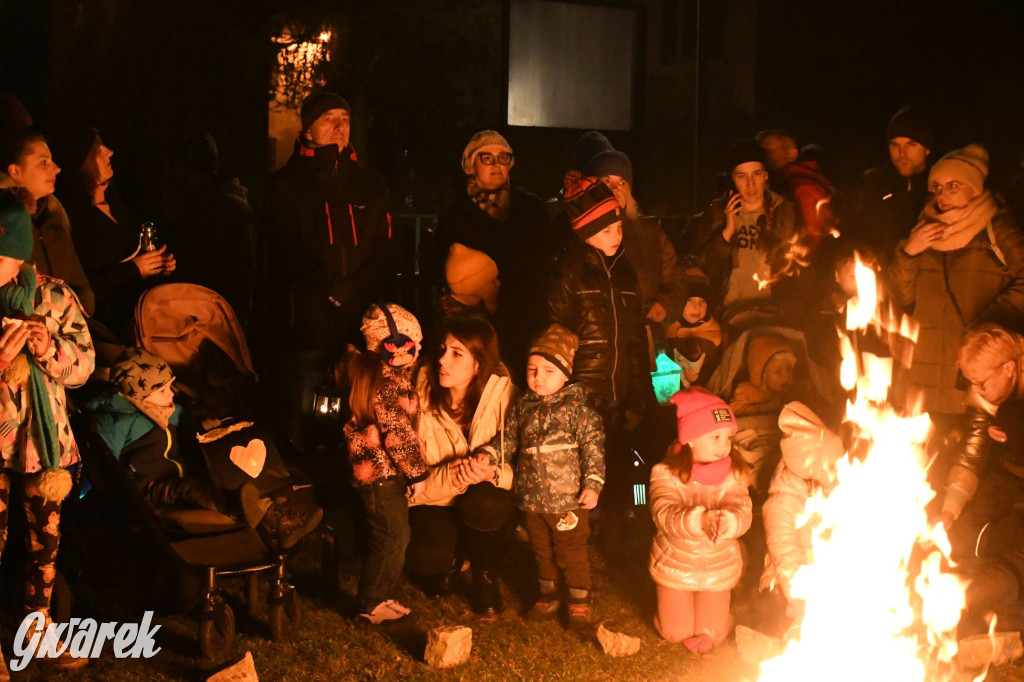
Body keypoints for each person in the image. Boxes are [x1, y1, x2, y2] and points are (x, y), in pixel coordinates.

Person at [263, 91, 396, 449]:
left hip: (360, 320)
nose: (339, 126)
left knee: (360, 419)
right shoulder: (285, 186)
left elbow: (385, 248)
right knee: (303, 418)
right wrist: (331, 288)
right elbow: (287, 249)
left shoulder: (370, 184)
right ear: (307, 131)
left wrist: (357, 291)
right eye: (328, 119)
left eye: (345, 119)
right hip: (307, 321)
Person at [0, 191, 95, 670]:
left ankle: (38, 628)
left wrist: (47, 348)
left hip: (43, 446)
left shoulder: (54, 297)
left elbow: (84, 365)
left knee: (45, 547)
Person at [476, 324, 605, 630]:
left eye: (548, 370)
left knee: (571, 551)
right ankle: (548, 594)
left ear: (565, 374)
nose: (537, 377)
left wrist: (593, 484)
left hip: (568, 501)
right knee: (541, 550)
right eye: (532, 369)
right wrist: (490, 454)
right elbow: (507, 440)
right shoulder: (523, 407)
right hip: (533, 500)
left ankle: (579, 601)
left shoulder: (578, 410)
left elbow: (594, 448)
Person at [889, 144, 1024, 415]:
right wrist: (909, 252)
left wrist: (986, 330)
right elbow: (900, 296)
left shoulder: (999, 229)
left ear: (975, 188)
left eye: (953, 185)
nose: (943, 196)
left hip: (977, 376)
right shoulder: (923, 231)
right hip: (923, 377)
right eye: (937, 187)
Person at [548, 172, 652, 515]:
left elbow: (635, 339)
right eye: (607, 230)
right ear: (585, 232)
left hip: (619, 395)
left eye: (619, 227)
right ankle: (583, 545)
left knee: (620, 469)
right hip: (583, 396)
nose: (617, 236)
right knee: (583, 475)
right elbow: (556, 338)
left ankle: (622, 534)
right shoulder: (569, 272)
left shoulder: (625, 273)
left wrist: (639, 394)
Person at [406, 315, 516, 619]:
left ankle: (485, 577)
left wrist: (493, 473)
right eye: (442, 349)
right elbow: (407, 483)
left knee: (486, 501)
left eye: (457, 353)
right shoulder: (417, 398)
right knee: (427, 561)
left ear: (479, 364)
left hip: (483, 502)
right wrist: (451, 476)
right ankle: (453, 558)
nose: (443, 360)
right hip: (436, 499)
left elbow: (527, 467)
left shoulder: (505, 398)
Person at [430, 130, 555, 376]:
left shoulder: (530, 209)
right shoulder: (455, 213)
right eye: (486, 158)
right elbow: (437, 265)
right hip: (472, 323)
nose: (496, 164)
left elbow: (544, 262)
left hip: (521, 317)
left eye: (503, 157)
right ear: (470, 165)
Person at [934, 324, 1024, 634]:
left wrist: (1017, 434)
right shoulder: (986, 395)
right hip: (1009, 476)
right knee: (967, 537)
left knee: (1011, 542)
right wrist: (950, 509)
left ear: (1009, 368)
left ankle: (1011, 606)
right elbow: (971, 453)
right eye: (970, 382)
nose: (976, 391)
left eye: (981, 382)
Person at [343, 304, 428, 624]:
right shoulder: (390, 383)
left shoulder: (368, 374)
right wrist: (417, 474)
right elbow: (397, 435)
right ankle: (369, 604)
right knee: (390, 536)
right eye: (414, 344)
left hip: (375, 474)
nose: (417, 351)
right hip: (383, 474)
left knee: (397, 534)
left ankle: (383, 595)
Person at [649, 388, 752, 652]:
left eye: (728, 437)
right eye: (715, 436)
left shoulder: (734, 473)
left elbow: (742, 508)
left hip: (717, 568)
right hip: (677, 565)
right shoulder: (665, 473)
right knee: (675, 633)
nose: (724, 446)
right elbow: (663, 512)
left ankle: (720, 611)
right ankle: (672, 608)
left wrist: (729, 521)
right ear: (691, 438)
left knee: (712, 633)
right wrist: (699, 521)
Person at [52, 125, 175, 335]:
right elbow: (79, 284)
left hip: (142, 313)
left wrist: (158, 267)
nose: (110, 151)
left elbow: (131, 251)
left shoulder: (115, 199)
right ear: (84, 163)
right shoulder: (74, 217)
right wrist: (134, 270)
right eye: (99, 151)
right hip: (102, 325)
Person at [577, 133, 688, 327]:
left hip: (641, 334)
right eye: (607, 182)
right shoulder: (578, 234)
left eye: (622, 183)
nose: (615, 189)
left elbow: (676, 281)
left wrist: (664, 304)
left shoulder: (650, 233)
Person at [688, 139, 800, 330]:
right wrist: (726, 233)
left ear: (765, 175)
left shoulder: (785, 213)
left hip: (774, 315)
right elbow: (701, 270)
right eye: (742, 176)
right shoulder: (717, 214)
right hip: (727, 316)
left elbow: (798, 270)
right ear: (733, 179)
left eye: (756, 174)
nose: (750, 184)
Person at [165, 133, 256, 328]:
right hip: (198, 307)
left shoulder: (224, 208)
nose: (176, 173)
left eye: (183, 167)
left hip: (216, 312)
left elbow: (241, 270)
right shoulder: (193, 204)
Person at [1, 129, 95, 315]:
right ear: (15, 171)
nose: (56, 168)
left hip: (71, 326)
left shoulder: (54, 218)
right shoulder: (9, 229)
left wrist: (72, 314)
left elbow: (81, 285)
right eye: (43, 162)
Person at [848, 105, 933, 265]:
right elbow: (855, 234)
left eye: (911, 144)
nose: (901, 153)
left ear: (927, 148)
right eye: (895, 144)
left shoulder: (939, 189)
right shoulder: (873, 185)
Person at [756, 130, 836, 252]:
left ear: (791, 154)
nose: (762, 157)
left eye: (769, 151)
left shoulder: (801, 186)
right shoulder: (779, 184)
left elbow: (814, 236)